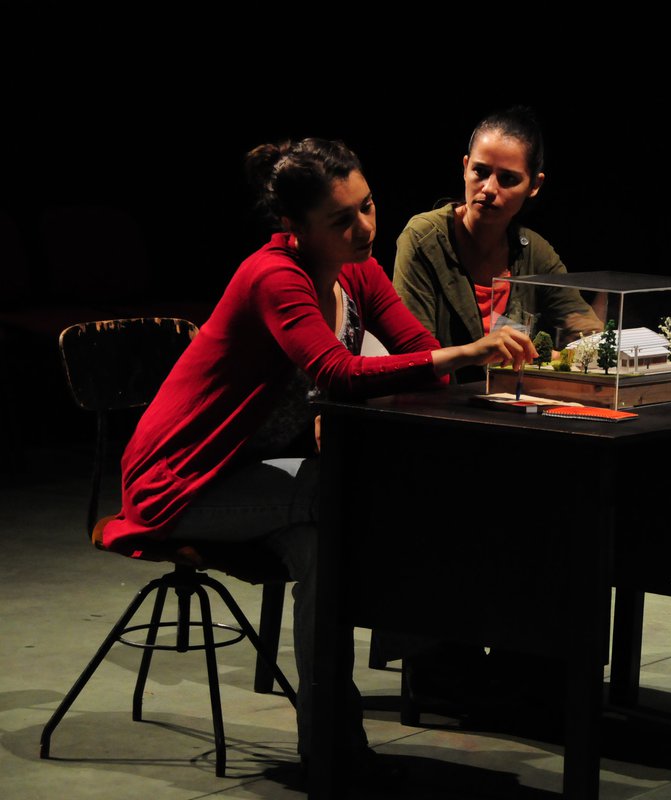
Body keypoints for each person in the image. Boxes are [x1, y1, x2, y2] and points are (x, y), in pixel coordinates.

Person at [104, 137, 535, 767]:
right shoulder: (274, 276)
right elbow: (337, 371)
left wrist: (499, 378)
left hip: (251, 474)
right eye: (340, 219)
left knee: (322, 549)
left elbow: (417, 351)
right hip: (181, 483)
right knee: (351, 489)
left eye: (368, 206)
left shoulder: (356, 268)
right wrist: (464, 352)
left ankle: (331, 746)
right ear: (295, 226)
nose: (363, 228)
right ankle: (437, 651)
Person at [393, 106, 601, 383]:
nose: (489, 188)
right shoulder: (424, 238)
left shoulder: (534, 252)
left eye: (508, 179)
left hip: (513, 402)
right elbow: (414, 356)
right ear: (465, 167)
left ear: (534, 185)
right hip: (439, 402)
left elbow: (585, 330)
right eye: (480, 171)